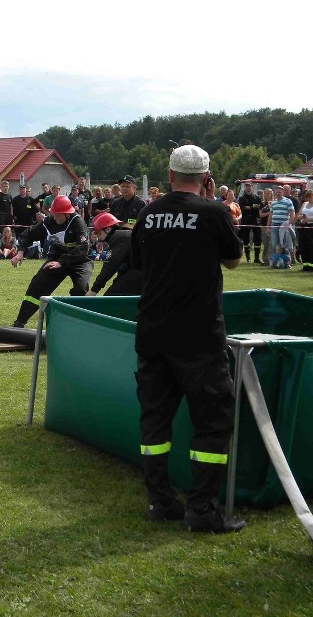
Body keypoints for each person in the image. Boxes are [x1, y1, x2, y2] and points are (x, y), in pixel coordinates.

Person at [130, 144, 244, 533]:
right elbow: (233, 260)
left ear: (169, 174)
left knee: (155, 423)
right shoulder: (213, 213)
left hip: (154, 331)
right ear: (207, 178)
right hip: (198, 335)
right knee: (212, 421)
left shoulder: (147, 213)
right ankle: (202, 509)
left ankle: (160, 501)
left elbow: (140, 264)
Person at [10, 195, 91, 327]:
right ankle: (20, 321)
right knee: (37, 284)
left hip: (78, 260)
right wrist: (20, 252)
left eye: (58, 215)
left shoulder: (78, 222)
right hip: (56, 257)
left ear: (67, 214)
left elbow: (83, 248)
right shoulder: (48, 221)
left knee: (81, 289)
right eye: (53, 214)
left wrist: (62, 262)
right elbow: (28, 234)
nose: (55, 218)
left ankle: (77, 323)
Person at [85, 212, 143, 296]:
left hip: (141, 274)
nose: (98, 236)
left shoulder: (118, 238)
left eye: (99, 233)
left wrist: (94, 290)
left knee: (110, 299)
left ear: (108, 229)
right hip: (145, 273)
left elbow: (110, 266)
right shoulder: (125, 235)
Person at [295, 189, 313, 272]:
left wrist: (309, 219)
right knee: (303, 246)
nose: (309, 199)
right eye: (307, 197)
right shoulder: (304, 204)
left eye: (310, 196)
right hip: (303, 227)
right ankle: (305, 265)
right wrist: (301, 218)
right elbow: (298, 215)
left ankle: (312, 266)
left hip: (312, 227)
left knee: (312, 247)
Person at [237, 181, 263, 264]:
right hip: (246, 220)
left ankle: (256, 258)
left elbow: (259, 206)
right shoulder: (241, 198)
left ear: (252, 187)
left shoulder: (256, 197)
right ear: (245, 188)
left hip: (255, 219)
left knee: (258, 238)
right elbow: (243, 208)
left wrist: (250, 207)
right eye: (246, 186)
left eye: (249, 186)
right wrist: (253, 207)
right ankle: (248, 258)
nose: (248, 188)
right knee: (246, 239)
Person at [268, 185, 295, 263]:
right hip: (274, 225)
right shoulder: (273, 202)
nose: (278, 193)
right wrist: (268, 227)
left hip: (284, 226)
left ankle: (287, 261)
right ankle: (275, 261)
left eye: (279, 192)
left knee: (285, 244)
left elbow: (292, 215)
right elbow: (270, 215)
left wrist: (288, 224)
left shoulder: (288, 201)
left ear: (283, 192)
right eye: (276, 192)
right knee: (274, 244)